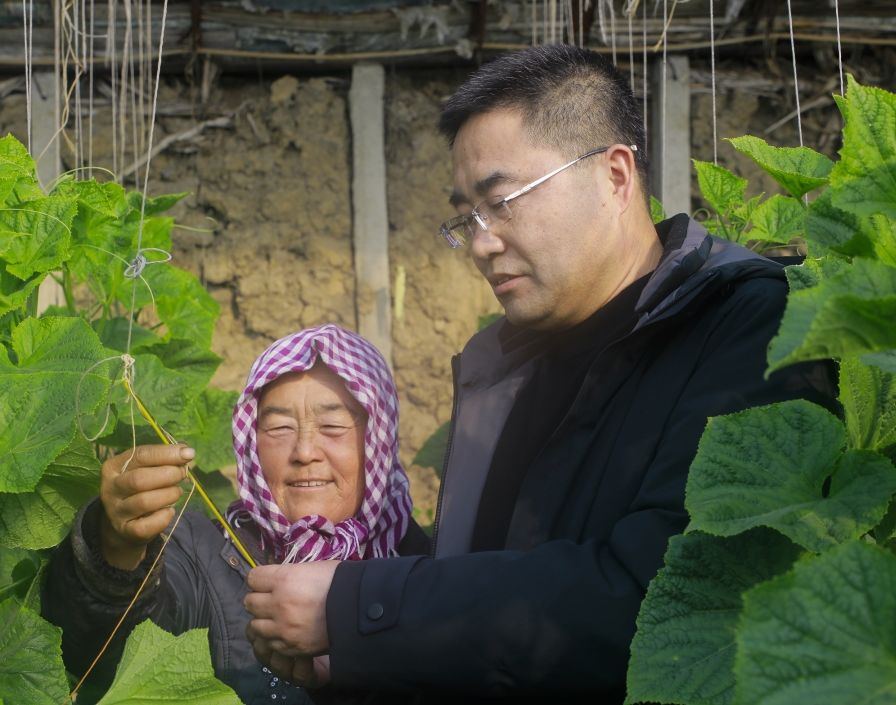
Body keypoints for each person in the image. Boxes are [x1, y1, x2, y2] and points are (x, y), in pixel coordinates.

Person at [240, 45, 838, 702]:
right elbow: (487, 597)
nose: (480, 243)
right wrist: (366, 659)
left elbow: (669, 599)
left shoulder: (757, 325)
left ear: (614, 177)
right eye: (466, 216)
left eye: (502, 202)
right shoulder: (510, 362)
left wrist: (360, 607)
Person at [42, 324, 430, 704]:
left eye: (332, 425)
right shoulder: (198, 549)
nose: (304, 452)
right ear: (251, 443)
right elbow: (105, 651)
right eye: (279, 427)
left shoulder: (431, 574)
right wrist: (115, 547)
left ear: (379, 439)